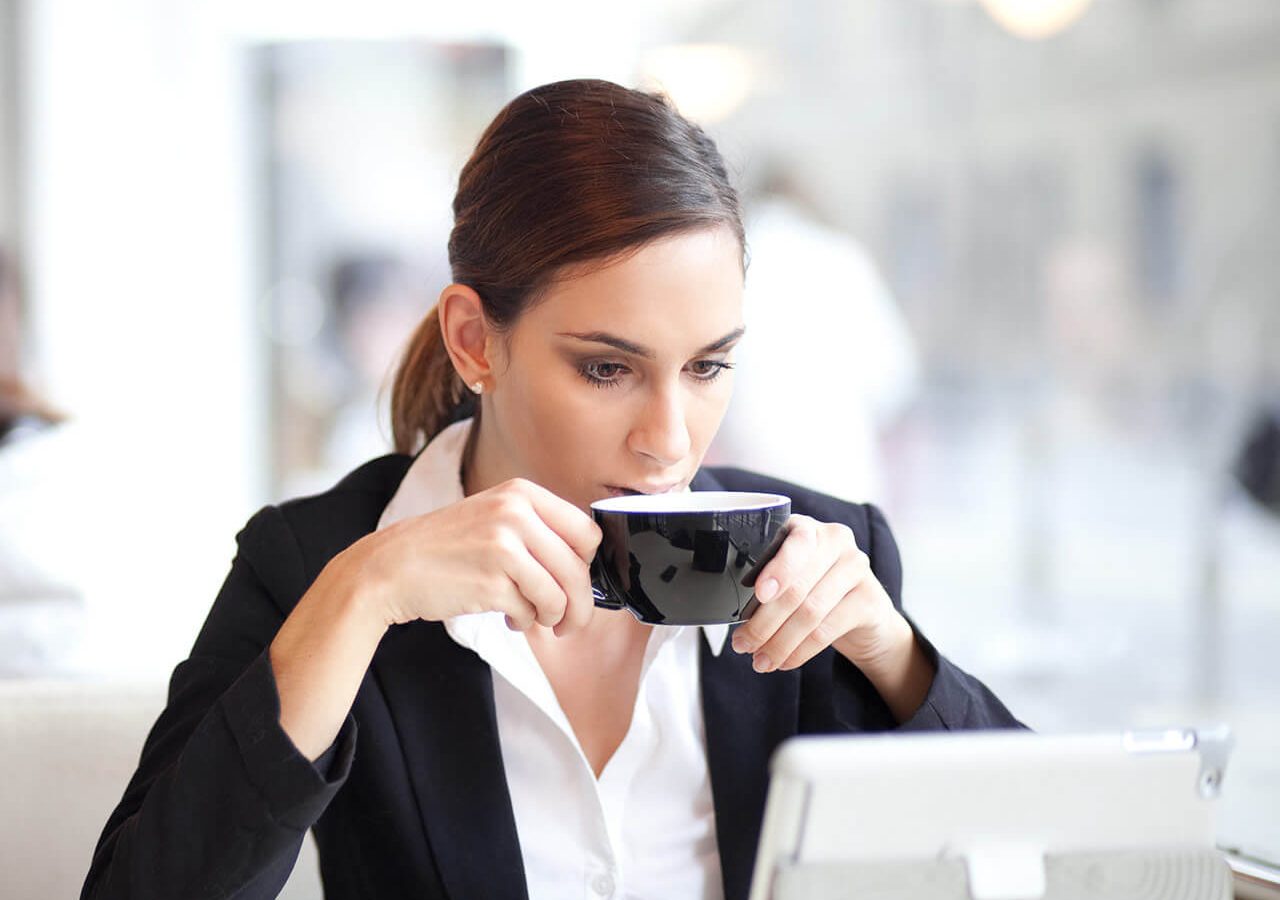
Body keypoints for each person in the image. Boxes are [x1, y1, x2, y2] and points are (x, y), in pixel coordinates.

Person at [81, 79, 1022, 900]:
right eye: (607, 369)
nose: (669, 441)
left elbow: (1044, 857)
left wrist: (896, 658)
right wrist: (362, 596)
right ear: (474, 342)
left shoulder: (814, 559)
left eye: (706, 367)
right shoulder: (315, 565)